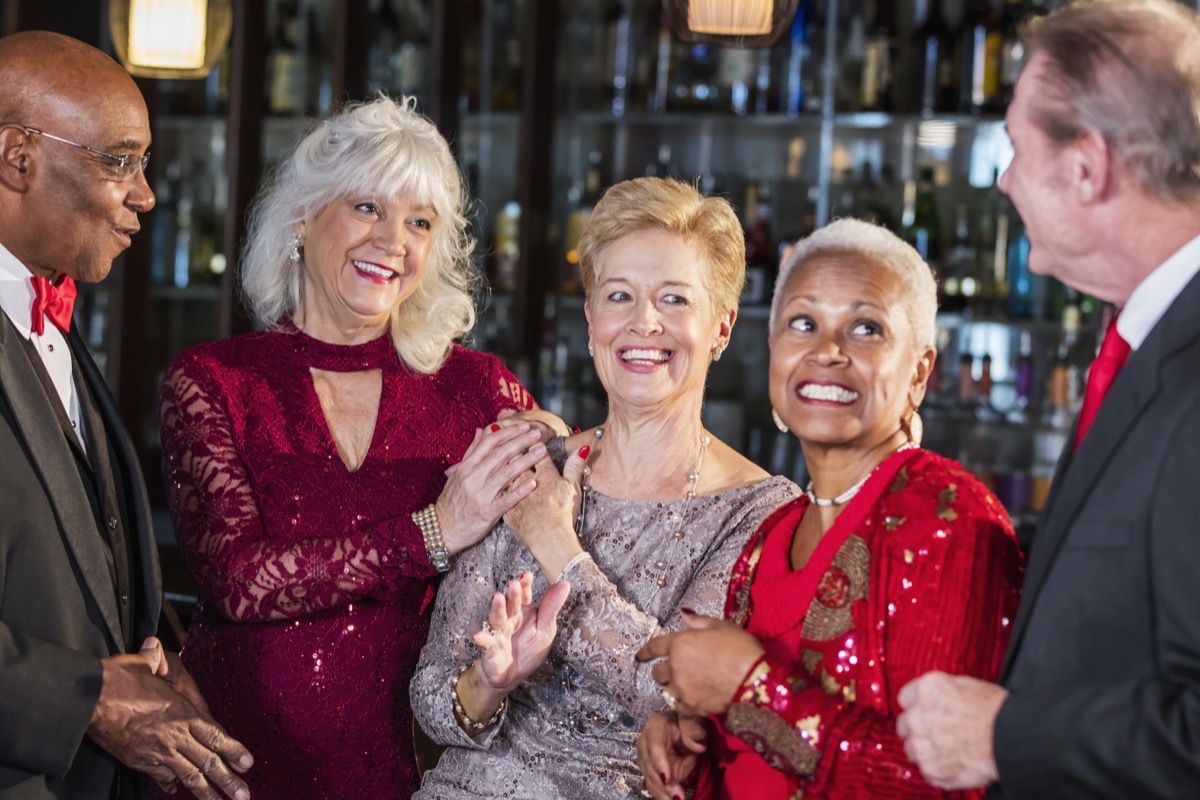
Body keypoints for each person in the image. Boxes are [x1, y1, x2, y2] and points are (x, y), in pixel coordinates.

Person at [157, 96, 560, 799]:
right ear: (303, 217)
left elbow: (574, 503)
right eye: (368, 208)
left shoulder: (476, 388)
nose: (394, 241)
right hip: (231, 773)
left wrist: (558, 444)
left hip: (415, 774)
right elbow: (239, 581)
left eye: (420, 222)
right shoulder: (212, 379)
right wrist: (436, 531)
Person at [409, 176, 798, 798]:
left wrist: (555, 545)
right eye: (620, 296)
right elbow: (431, 699)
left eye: (675, 300)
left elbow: (685, 692)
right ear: (591, 322)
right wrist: (491, 681)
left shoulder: (761, 513)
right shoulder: (528, 464)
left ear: (721, 329)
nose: (644, 322)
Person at [896, 1, 1200, 796]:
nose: (1003, 179)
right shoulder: (1150, 340)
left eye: (1017, 148)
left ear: (1086, 165)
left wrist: (1003, 735)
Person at [635, 218, 1024, 800]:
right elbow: (752, 747)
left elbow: (945, 786)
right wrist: (693, 741)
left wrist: (748, 691)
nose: (827, 352)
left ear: (919, 372)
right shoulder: (772, 531)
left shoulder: (949, 520)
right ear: (773, 350)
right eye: (803, 323)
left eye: (865, 328)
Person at [0, 31, 254, 800]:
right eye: (119, 161)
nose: (145, 193)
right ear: (17, 158)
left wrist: (154, 661)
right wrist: (86, 698)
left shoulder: (54, 321)